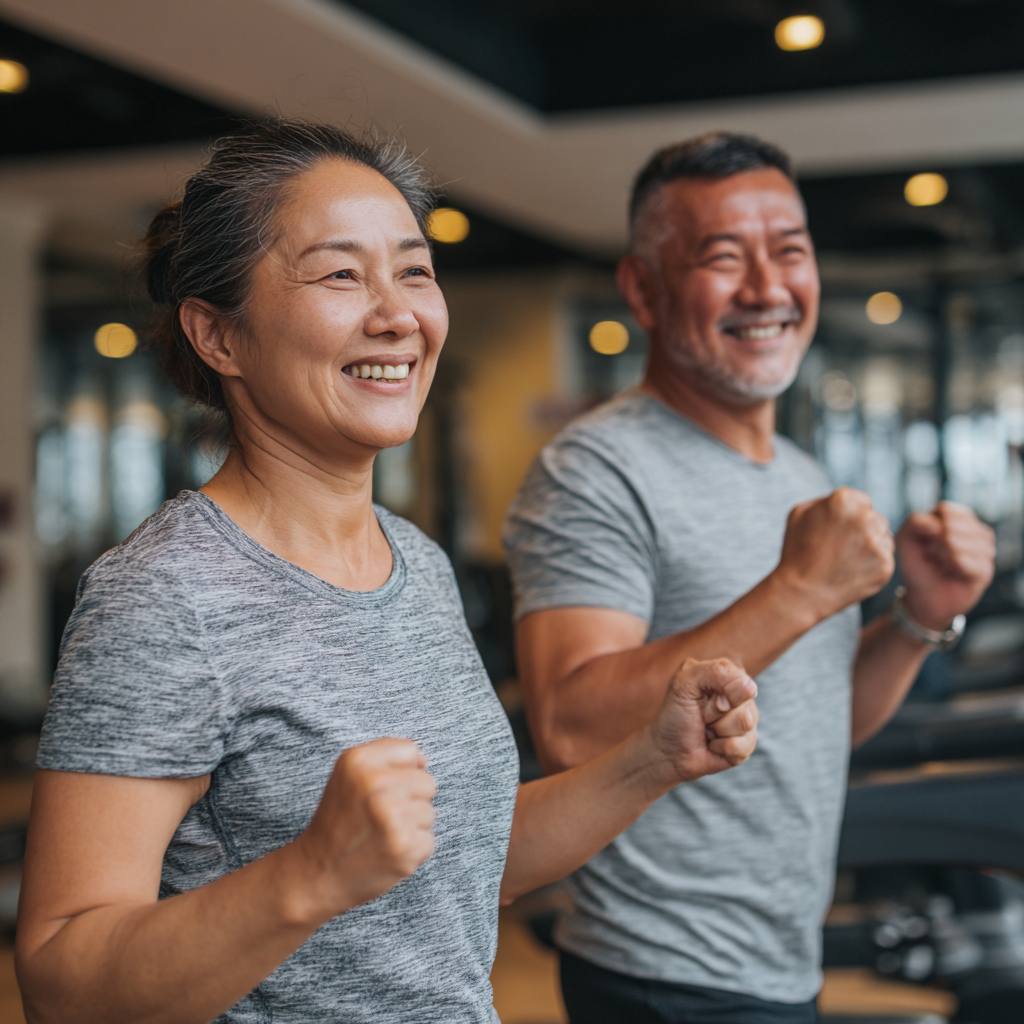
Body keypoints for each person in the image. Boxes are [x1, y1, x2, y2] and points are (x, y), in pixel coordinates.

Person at [14, 121, 761, 1024]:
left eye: (413, 269)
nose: (399, 313)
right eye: (340, 274)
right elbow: (60, 979)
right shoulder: (165, 596)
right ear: (217, 333)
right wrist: (308, 876)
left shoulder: (417, 562)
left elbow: (456, 862)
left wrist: (651, 761)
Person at [504, 132, 996, 1024]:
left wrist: (923, 618)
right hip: (664, 969)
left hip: (781, 954)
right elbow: (570, 725)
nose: (768, 288)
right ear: (642, 289)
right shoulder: (595, 469)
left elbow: (819, 718)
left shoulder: (802, 475)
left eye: (790, 252)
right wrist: (799, 589)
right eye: (724, 258)